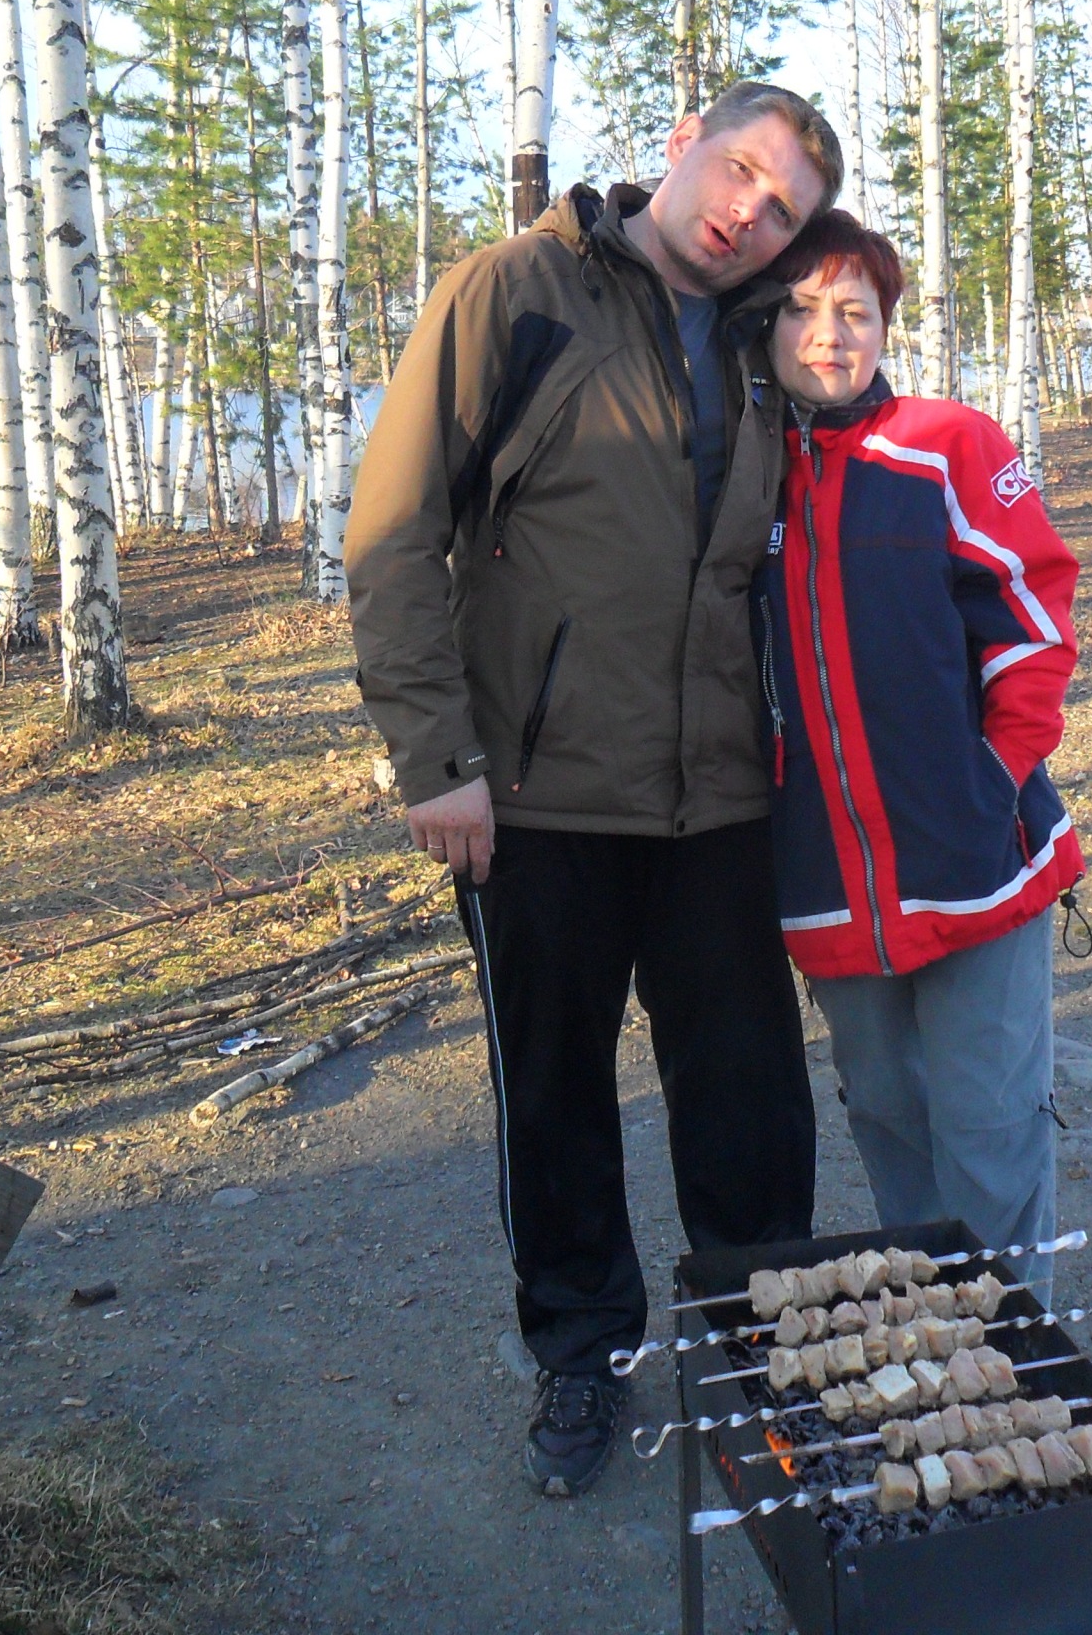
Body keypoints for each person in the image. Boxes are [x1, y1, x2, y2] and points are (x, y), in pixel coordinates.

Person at [345, 82, 842, 1498]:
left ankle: (764, 1349)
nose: (748, 214)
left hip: (721, 798)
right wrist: (438, 760)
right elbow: (392, 534)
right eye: (739, 171)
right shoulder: (517, 293)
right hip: (536, 797)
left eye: (782, 210)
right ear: (682, 144)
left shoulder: (765, 339)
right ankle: (580, 1352)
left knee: (749, 1099)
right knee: (555, 1095)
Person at [755, 210, 1084, 1304]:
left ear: (886, 327)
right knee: (889, 1115)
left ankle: (1015, 1350)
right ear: (764, 324)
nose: (828, 334)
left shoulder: (948, 445)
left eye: (855, 311)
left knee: (990, 1124)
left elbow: (1032, 619)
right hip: (822, 878)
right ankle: (940, 1332)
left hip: (974, 861)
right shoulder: (739, 481)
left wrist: (990, 778)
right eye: (801, 309)